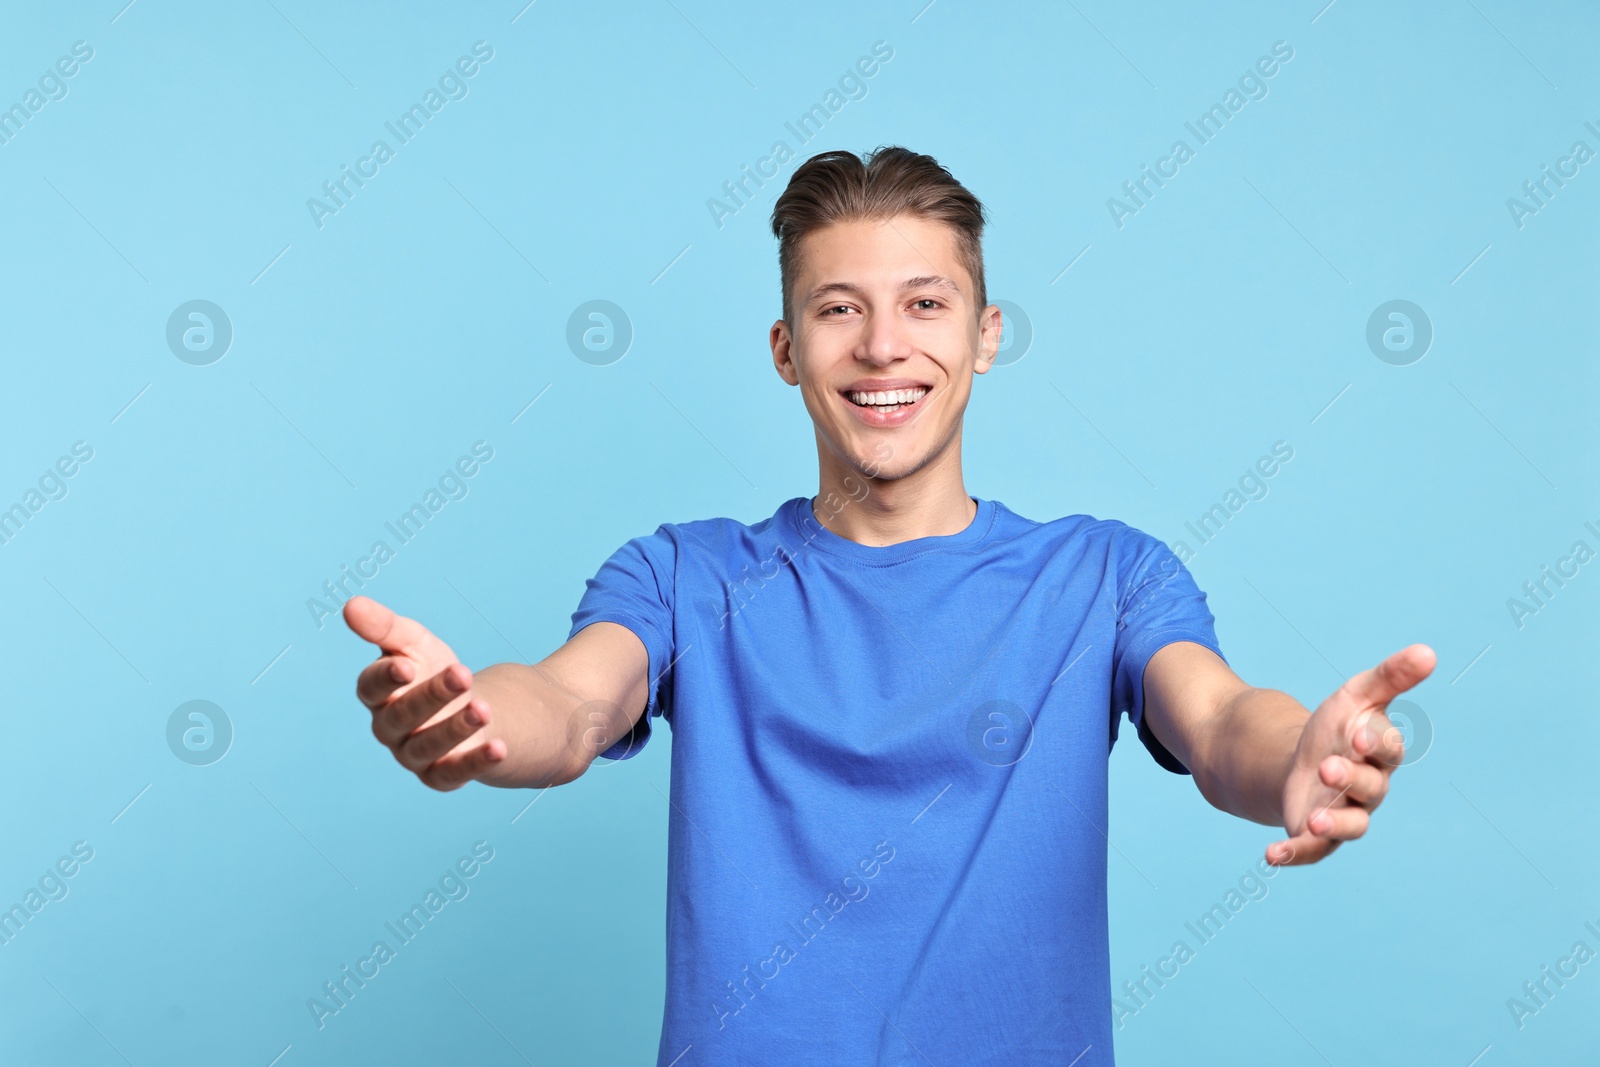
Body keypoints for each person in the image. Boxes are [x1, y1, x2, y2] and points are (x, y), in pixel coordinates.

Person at [343, 146, 1435, 1065]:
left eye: (924, 303)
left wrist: (1300, 757)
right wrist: (478, 719)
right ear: (786, 349)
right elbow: (570, 699)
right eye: (836, 309)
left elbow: (1218, 720)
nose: (881, 345)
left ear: (985, 333)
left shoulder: (1102, 576)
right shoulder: (685, 575)